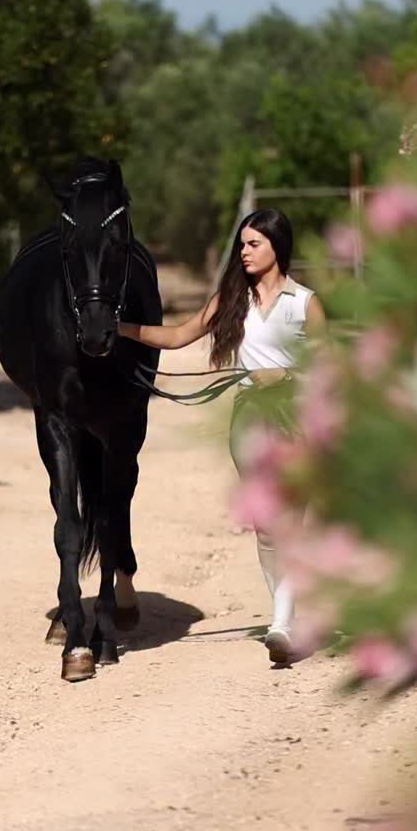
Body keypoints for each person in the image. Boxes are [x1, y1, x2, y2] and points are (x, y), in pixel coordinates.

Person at [118, 208, 326, 665]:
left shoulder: (304, 303)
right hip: (250, 417)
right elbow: (177, 337)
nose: (244, 251)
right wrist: (118, 329)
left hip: (298, 418)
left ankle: (282, 623)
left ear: (277, 246)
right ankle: (284, 619)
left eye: (254, 243)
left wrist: (289, 373)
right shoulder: (232, 299)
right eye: (242, 244)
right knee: (269, 525)